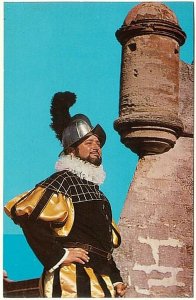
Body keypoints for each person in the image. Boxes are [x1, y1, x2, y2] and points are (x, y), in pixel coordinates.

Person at [4, 91, 127, 298]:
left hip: (101, 280)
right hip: (72, 279)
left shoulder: (99, 195)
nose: (96, 147)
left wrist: (115, 279)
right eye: (89, 143)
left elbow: (102, 243)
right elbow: (25, 215)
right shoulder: (63, 181)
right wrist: (60, 255)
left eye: (98, 143)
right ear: (71, 150)